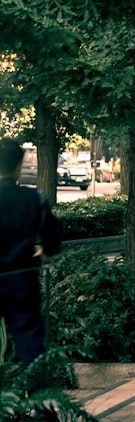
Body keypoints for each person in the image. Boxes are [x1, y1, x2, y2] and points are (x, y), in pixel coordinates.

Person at [0, 138, 62, 367]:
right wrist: (42, 253)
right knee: (30, 344)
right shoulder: (34, 199)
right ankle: (37, 399)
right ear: (19, 165)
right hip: (23, 279)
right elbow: (54, 239)